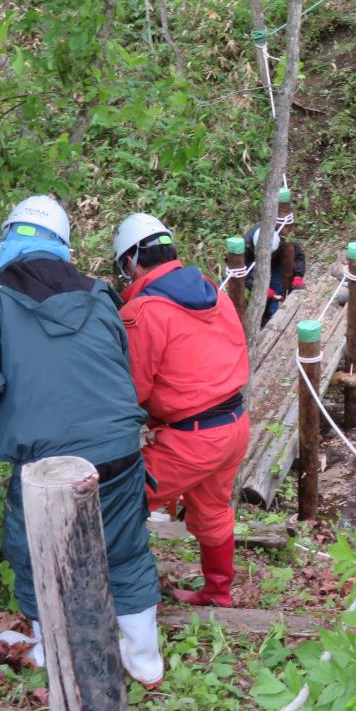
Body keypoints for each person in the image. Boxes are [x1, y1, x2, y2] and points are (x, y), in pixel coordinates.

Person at [0, 195, 163, 686]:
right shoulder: (101, 293)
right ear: (62, 245)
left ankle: (52, 650)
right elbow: (119, 367)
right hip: (120, 450)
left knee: (33, 551)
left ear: (7, 240)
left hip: (46, 463)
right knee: (124, 548)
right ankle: (145, 659)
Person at [114, 212, 251, 607]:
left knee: (119, 500)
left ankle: (120, 594)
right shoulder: (213, 291)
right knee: (211, 510)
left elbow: (133, 390)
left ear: (130, 262)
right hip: (233, 426)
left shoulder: (141, 313)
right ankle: (217, 592)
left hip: (192, 438)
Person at [244, 224, 306, 326]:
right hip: (255, 263)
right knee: (263, 294)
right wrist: (260, 288)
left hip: (277, 262)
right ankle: (265, 318)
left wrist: (298, 276)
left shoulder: (282, 236)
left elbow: (299, 256)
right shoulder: (246, 246)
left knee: (277, 286)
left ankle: (277, 318)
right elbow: (245, 274)